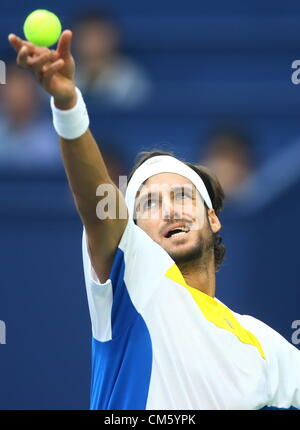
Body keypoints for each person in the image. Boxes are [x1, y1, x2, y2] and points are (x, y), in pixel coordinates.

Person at [8, 30, 300, 410]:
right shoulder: (135, 279)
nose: (170, 209)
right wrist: (67, 104)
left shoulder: (265, 345)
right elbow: (96, 200)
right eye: (149, 203)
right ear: (134, 233)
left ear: (213, 219)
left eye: (182, 196)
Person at [72, 11, 151, 108]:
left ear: (112, 38)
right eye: (87, 36)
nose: (93, 43)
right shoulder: (65, 76)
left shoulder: (131, 77)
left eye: (99, 36)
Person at [0, 63, 60, 170]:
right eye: (10, 91)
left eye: (21, 90)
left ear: (33, 95)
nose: (16, 97)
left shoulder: (50, 141)